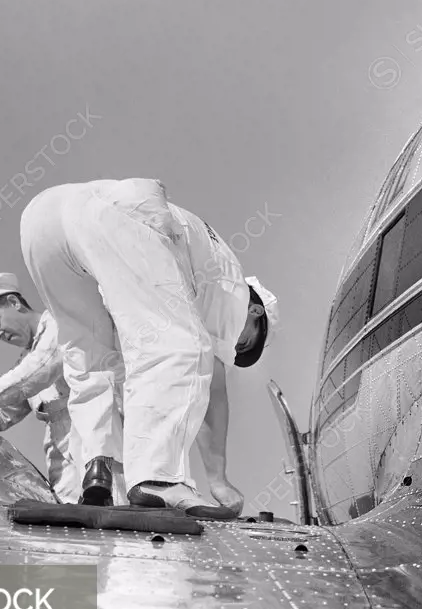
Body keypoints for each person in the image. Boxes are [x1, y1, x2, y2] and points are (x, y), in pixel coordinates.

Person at [19, 178, 278, 518]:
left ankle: (98, 467)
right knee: (182, 346)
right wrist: (218, 480)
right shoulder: (232, 288)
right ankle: (158, 477)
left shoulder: (190, 261)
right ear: (256, 313)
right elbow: (211, 378)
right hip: (122, 212)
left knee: (89, 354)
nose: (234, 348)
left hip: (42, 219)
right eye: (244, 341)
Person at [0, 272, 127, 504]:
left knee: (119, 512)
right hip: (63, 460)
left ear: (14, 303)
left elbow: (46, 362)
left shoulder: (61, 322)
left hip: (104, 436)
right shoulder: (23, 366)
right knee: (73, 527)